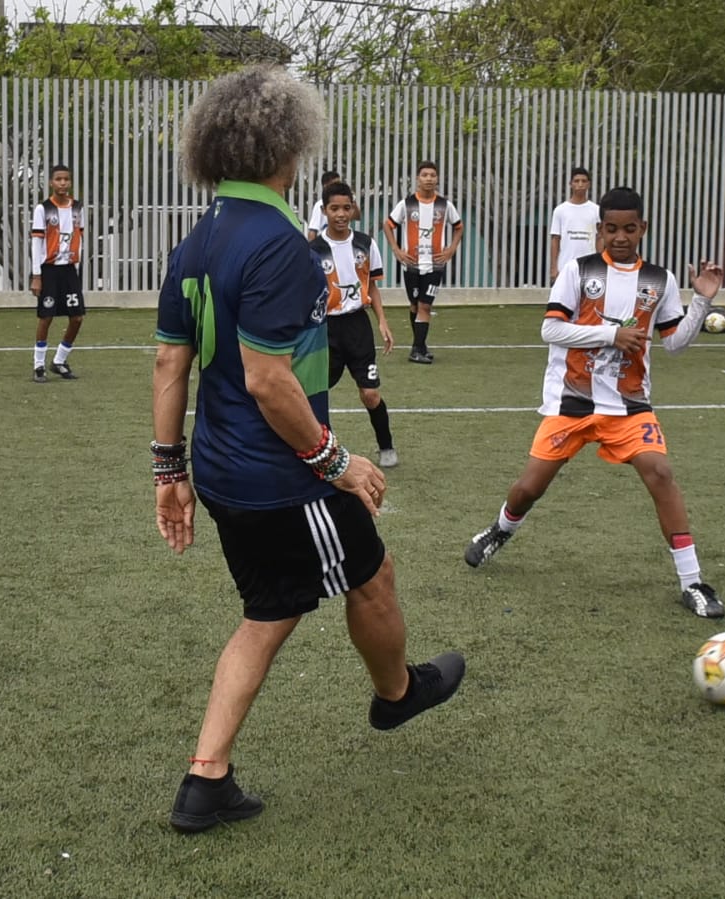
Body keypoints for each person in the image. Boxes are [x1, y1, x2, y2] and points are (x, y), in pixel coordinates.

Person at [151, 66, 464, 834]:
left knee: (272, 609)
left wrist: (169, 471)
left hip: (224, 472)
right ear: (286, 145)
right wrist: (337, 462)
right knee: (371, 574)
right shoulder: (284, 246)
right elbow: (268, 380)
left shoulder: (194, 242)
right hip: (280, 476)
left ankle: (207, 779)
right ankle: (397, 695)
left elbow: (170, 363)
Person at [462, 186, 725, 619]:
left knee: (660, 472)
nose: (620, 237)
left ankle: (694, 582)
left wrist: (701, 299)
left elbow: (675, 344)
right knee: (529, 488)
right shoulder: (577, 269)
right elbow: (551, 330)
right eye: (611, 229)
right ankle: (501, 529)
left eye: (629, 229)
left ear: (643, 228)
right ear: (600, 230)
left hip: (629, 405)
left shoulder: (660, 280)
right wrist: (611, 334)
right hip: (572, 401)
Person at [311, 181, 399, 468]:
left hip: (358, 327)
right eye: (334, 208)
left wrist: (382, 321)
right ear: (324, 211)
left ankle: (386, 447)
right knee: (316, 392)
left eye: (346, 208)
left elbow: (372, 286)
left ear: (353, 209)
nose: (340, 214)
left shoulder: (365, 243)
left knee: (370, 393)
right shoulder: (313, 250)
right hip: (326, 330)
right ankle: (323, 450)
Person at [383, 161, 463, 364]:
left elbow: (459, 226)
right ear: (418, 178)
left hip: (435, 265)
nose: (429, 178)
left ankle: (416, 349)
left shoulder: (444, 205)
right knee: (414, 305)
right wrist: (397, 250)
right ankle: (420, 345)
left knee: (425, 306)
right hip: (411, 264)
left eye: (432, 175)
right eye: (425, 175)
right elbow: (388, 224)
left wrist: (451, 249)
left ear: (437, 179)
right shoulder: (407, 204)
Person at [29, 164, 86, 382]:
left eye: (66, 179)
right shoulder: (43, 209)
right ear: (51, 183)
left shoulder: (77, 208)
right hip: (49, 269)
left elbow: (79, 238)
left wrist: (76, 266)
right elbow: (36, 242)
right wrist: (36, 275)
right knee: (46, 316)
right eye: (58, 179)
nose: (62, 183)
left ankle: (59, 360)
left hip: (69, 269)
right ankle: (39, 365)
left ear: (70, 182)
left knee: (77, 317)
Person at [549, 166, 600, 282]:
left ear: (589, 184)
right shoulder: (560, 210)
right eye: (576, 181)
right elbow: (555, 239)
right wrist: (553, 268)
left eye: (584, 181)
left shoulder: (596, 210)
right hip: (565, 266)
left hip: (589, 267)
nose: (580, 184)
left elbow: (600, 238)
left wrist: (600, 264)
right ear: (570, 184)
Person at [304, 169, 342, 240]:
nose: (338, 187)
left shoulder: (342, 203)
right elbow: (313, 231)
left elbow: (356, 216)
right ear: (326, 186)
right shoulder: (320, 205)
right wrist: (311, 249)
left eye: (339, 184)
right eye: (335, 184)